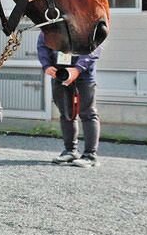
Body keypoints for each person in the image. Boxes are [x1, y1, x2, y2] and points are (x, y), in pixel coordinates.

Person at [38, 31, 103, 167]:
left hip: (84, 75)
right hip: (59, 73)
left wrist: (78, 69)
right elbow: (43, 43)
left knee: (88, 113)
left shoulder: (85, 20)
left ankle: (90, 155)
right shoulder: (52, 23)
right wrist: (47, 65)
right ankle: (70, 151)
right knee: (66, 113)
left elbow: (95, 46)